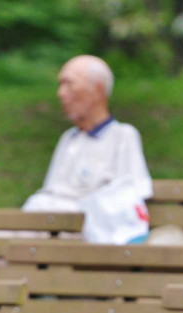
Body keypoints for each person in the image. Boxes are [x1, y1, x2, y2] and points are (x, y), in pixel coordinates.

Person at [23, 55, 153, 244]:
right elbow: (50, 192)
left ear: (97, 90)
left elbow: (133, 196)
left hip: (80, 235)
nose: (61, 93)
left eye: (69, 84)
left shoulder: (122, 136)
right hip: (42, 228)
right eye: (60, 85)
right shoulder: (69, 139)